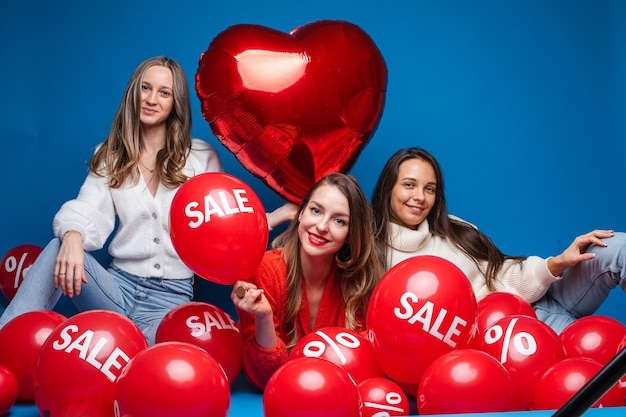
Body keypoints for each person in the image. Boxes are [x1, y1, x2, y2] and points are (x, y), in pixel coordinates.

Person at [0, 56, 293, 345]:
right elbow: (88, 208)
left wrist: (277, 215)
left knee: (150, 364)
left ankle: (128, 346)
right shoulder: (111, 155)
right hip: (114, 290)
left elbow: (227, 225)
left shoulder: (201, 157)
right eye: (145, 88)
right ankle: (6, 339)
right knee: (57, 246)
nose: (152, 99)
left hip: (170, 302)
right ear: (133, 93)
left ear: (174, 102)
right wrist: (73, 234)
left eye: (164, 93)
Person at [371, 147, 626, 334]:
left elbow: (502, 272)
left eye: (429, 188)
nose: (419, 197)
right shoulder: (379, 260)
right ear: (388, 188)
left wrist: (557, 263)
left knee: (616, 248)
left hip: (540, 299)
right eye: (408, 185)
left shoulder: (453, 228)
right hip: (516, 335)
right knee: (608, 364)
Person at [231, 173, 384, 390]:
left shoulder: (358, 283)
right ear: (300, 213)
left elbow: (362, 368)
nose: (322, 226)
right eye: (316, 210)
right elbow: (264, 378)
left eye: (339, 221)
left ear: (351, 234)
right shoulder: (265, 270)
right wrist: (263, 317)